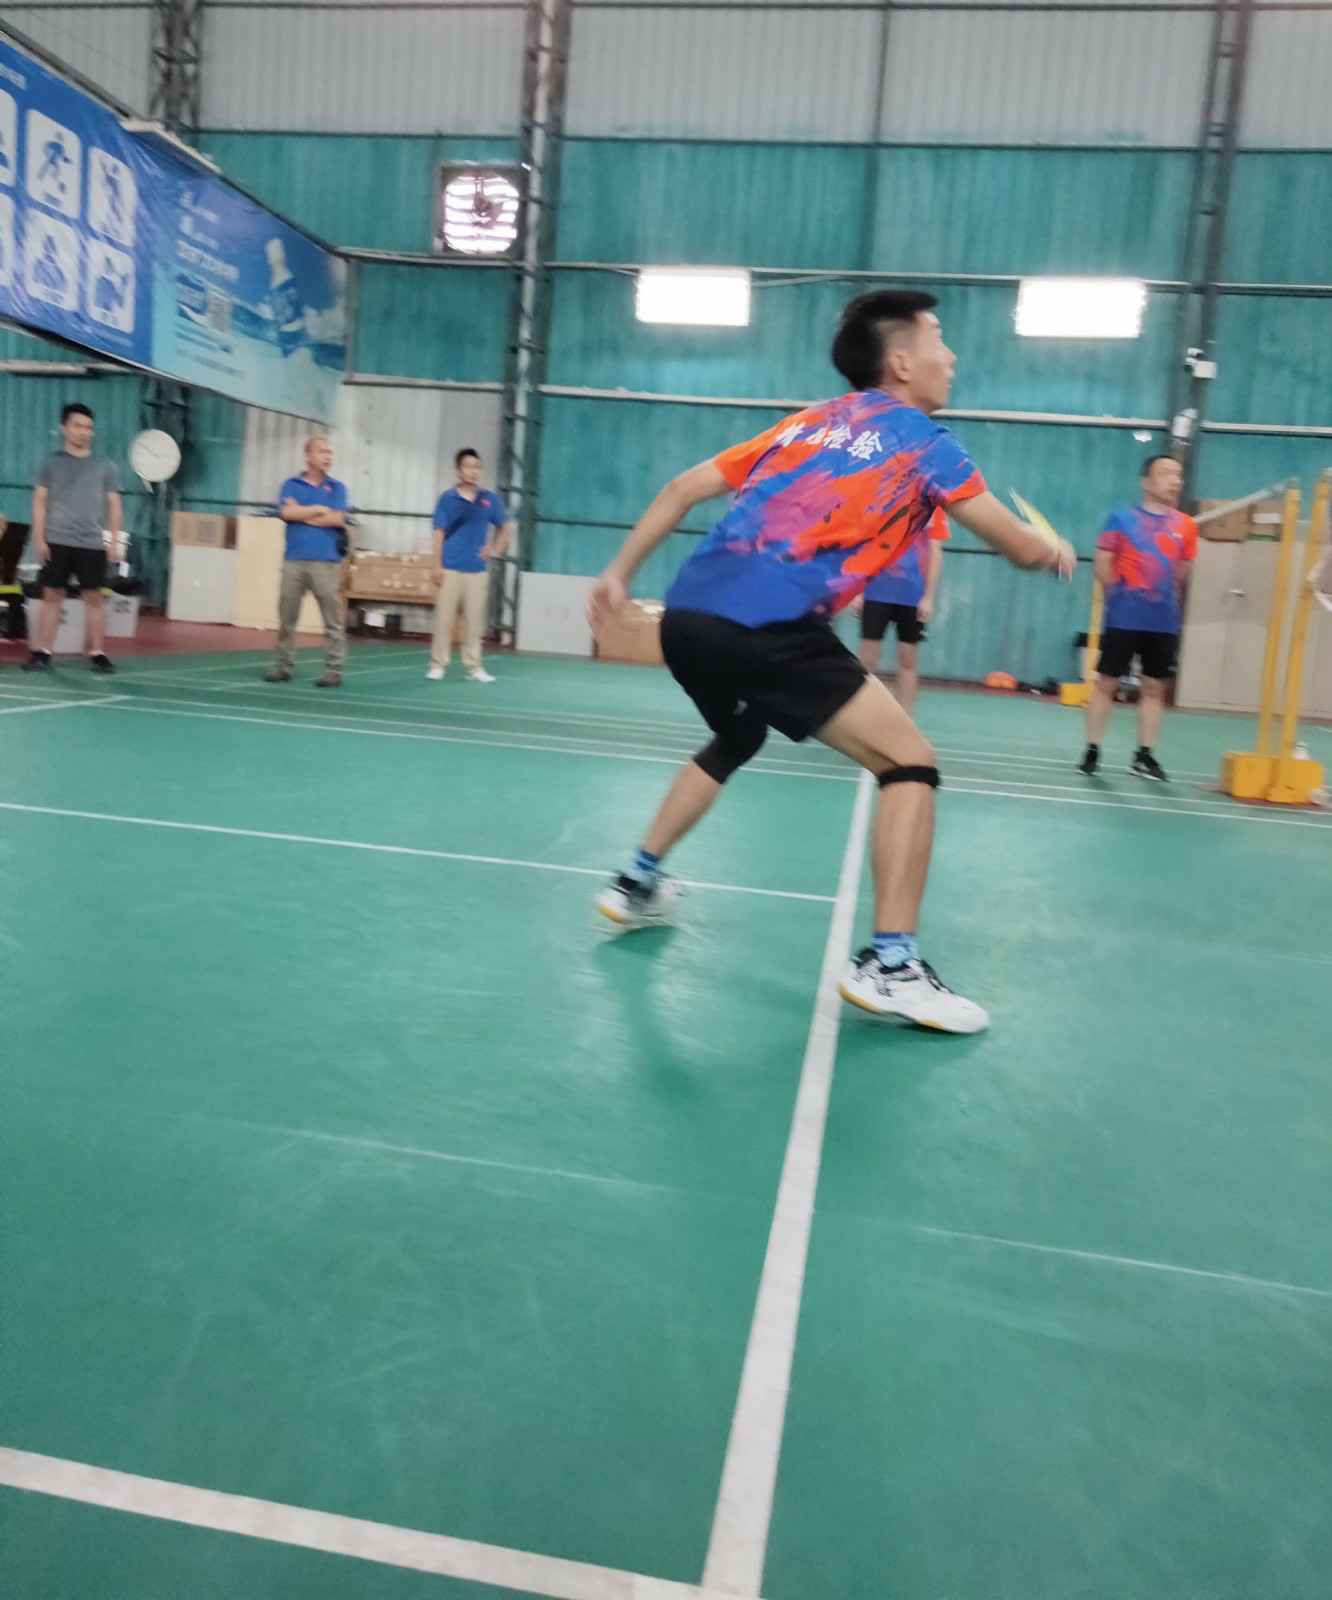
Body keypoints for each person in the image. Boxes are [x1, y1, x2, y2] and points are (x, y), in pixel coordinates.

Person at [586, 289, 1074, 1035]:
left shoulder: (807, 423)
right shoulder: (925, 442)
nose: (951, 357)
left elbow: (684, 488)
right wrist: (1052, 550)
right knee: (909, 763)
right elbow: (1014, 544)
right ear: (901, 361)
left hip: (688, 618)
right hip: (769, 626)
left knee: (736, 735)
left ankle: (636, 880)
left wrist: (618, 572)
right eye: (939, 340)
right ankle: (893, 966)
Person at [1077, 455, 1197, 782]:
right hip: (1124, 617)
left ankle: (1144, 755)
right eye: (1166, 473)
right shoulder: (1120, 518)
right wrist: (1120, 597)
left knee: (1154, 688)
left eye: (1178, 474)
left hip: (1163, 621)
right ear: (1146, 482)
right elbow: (1103, 562)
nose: (1175, 480)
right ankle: (1092, 750)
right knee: (1107, 683)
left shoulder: (1187, 526)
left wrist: (1161, 599)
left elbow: (1183, 569)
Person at [23, 403, 122, 674]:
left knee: (94, 598)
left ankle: (97, 653)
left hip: (92, 542)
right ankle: (43, 652)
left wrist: (114, 541)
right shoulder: (50, 462)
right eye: (77, 426)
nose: (83, 432)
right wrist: (39, 538)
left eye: (88, 427)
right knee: (52, 596)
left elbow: (114, 505)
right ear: (64, 428)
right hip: (57, 540)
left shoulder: (105, 465)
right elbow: (39, 501)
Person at [265, 436, 349, 688]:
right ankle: (283, 667)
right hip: (294, 562)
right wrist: (318, 509)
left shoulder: (337, 488)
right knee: (286, 619)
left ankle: (333, 670)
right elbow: (285, 513)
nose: (328, 457)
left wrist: (301, 513)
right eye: (322, 452)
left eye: (330, 452)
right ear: (308, 456)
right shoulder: (290, 485)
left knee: (332, 621)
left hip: (326, 562)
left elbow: (337, 519)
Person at [426, 448, 513, 684]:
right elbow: (438, 533)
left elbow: (507, 526)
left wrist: (495, 549)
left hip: (476, 570)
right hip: (450, 567)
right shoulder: (447, 499)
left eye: (477, 467)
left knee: (474, 622)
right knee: (444, 620)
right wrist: (436, 565)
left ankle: (474, 667)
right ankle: (437, 665)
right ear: (458, 470)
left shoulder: (489, 499)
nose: (474, 471)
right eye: (468, 466)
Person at [856, 506, 949, 714]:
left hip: (912, 595)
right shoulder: (880, 500)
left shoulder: (933, 507)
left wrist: (928, 597)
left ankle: (905, 717)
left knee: (908, 660)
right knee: (866, 660)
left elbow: (935, 552)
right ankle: (860, 715)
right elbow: (864, 546)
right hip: (876, 591)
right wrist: (857, 591)